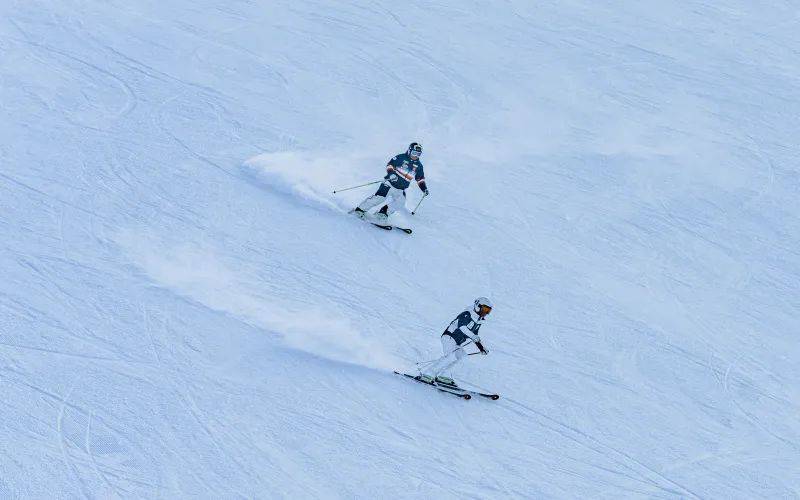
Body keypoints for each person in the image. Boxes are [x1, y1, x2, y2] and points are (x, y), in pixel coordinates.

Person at [421, 297, 492, 386]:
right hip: (449, 337)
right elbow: (462, 327)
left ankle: (444, 376)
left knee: (463, 358)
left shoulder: (478, 321)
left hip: (457, 343)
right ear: (478, 306)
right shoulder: (467, 314)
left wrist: (481, 348)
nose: (486, 312)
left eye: (488, 310)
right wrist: (474, 336)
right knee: (450, 357)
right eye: (485, 309)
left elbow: (475, 336)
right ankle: (428, 374)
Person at [352, 142, 428, 222]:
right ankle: (360, 210)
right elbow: (390, 165)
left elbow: (420, 179)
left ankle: (383, 213)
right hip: (390, 183)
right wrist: (391, 174)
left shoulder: (419, 166)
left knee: (400, 203)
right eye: (414, 153)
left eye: (418, 154)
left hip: (401, 188)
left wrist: (424, 189)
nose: (415, 156)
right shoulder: (401, 157)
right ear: (409, 151)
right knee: (379, 198)